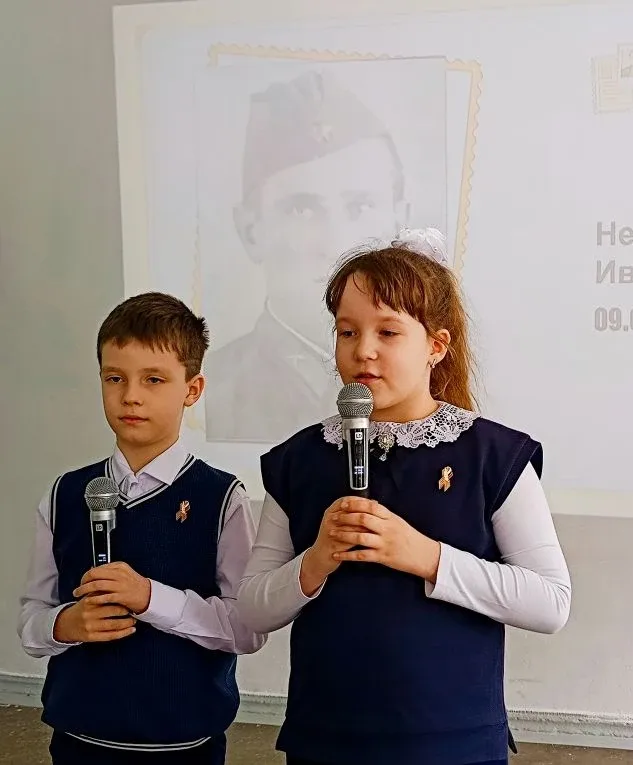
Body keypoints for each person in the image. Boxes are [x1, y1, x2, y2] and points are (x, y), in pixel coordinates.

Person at [236, 228, 572, 765]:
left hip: (452, 742)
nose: (362, 351)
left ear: (436, 346)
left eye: (388, 332)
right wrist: (315, 561)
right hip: (325, 740)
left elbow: (550, 603)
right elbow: (252, 608)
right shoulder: (300, 460)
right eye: (347, 332)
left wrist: (425, 556)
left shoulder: (492, 455)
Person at [17, 292, 268, 764]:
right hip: (78, 741)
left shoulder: (222, 498)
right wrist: (64, 624)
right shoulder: (65, 494)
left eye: (153, 379)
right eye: (115, 378)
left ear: (192, 389)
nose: (130, 395)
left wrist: (151, 598)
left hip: (183, 746)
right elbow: (32, 617)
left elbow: (246, 629)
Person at [203, 68, 415, 445]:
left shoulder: (434, 382)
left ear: (401, 222)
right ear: (251, 231)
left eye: (361, 206)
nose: (337, 244)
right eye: (302, 210)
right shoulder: (211, 389)